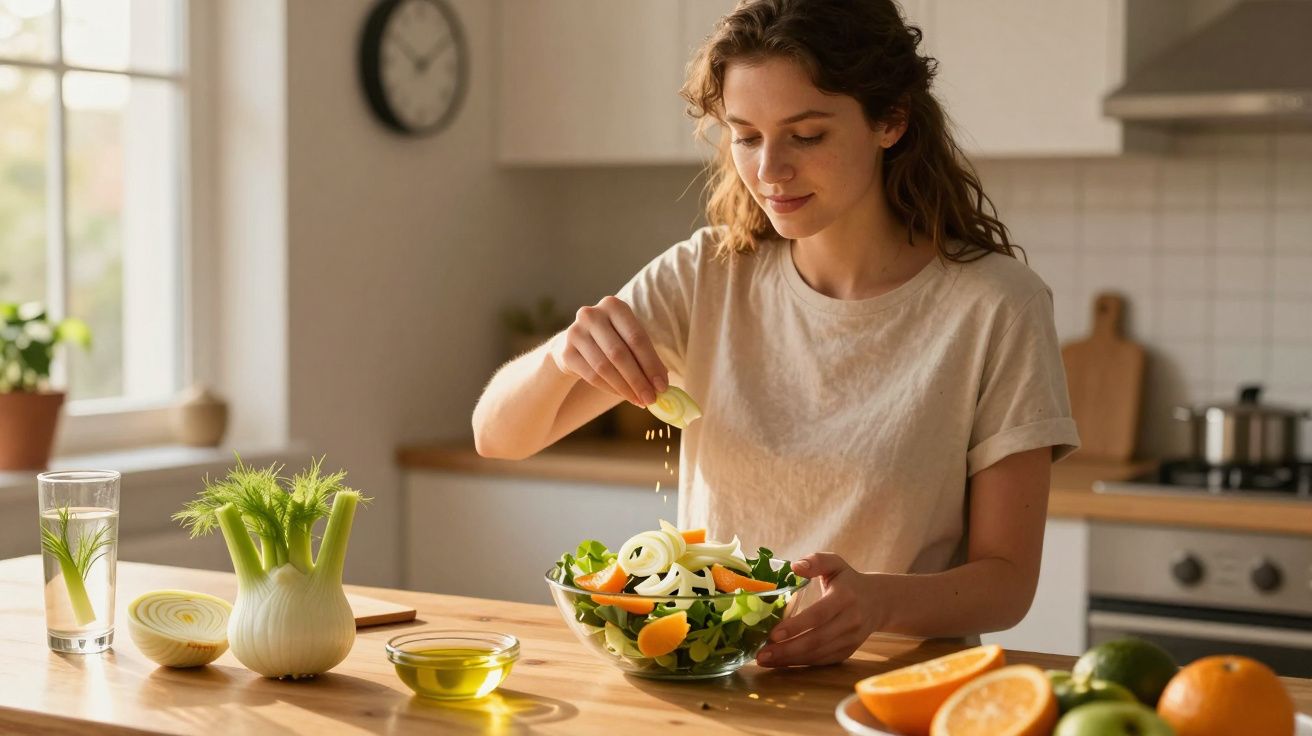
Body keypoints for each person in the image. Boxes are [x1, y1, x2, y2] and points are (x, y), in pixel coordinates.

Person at [471, 0, 1079, 668]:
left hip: (889, 696)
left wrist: (881, 602)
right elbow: (498, 436)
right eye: (746, 135)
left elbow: (1008, 582)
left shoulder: (997, 307)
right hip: (717, 685)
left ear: (892, 120)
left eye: (807, 135)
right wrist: (562, 354)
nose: (769, 170)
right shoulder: (705, 275)